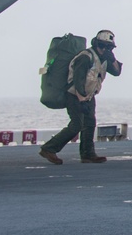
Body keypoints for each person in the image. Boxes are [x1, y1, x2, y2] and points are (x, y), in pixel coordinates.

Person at [39, 30, 123, 165]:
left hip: (89, 96)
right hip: (74, 95)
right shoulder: (85, 57)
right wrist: (81, 99)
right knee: (76, 125)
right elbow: (78, 80)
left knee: (90, 124)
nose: (104, 49)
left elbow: (117, 72)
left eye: (108, 47)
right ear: (96, 44)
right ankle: (49, 149)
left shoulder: (105, 59)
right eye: (102, 46)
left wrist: (112, 59)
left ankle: (88, 154)